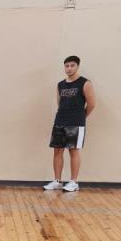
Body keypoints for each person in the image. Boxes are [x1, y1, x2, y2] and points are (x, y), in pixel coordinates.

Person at [44, 55, 96, 192]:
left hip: (76, 122)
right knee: (57, 151)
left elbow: (91, 104)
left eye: (72, 65)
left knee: (73, 151)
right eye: (66, 66)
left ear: (77, 66)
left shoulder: (85, 83)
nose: (69, 68)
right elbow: (59, 103)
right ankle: (57, 181)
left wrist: (81, 117)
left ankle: (73, 182)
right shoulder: (60, 85)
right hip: (60, 121)